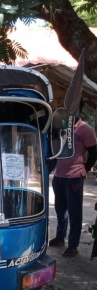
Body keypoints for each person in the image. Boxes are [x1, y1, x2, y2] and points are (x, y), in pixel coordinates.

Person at [49, 103, 97, 257]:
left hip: (74, 177)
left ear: (77, 110)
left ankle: (73, 245)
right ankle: (60, 237)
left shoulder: (85, 129)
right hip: (59, 176)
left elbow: (94, 152)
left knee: (74, 212)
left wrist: (86, 168)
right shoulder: (62, 126)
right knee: (60, 209)